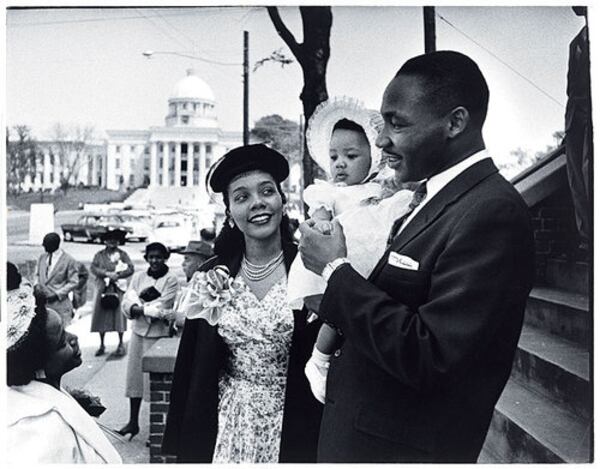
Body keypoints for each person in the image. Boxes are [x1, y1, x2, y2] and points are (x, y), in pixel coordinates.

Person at [299, 51, 535, 463]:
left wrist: (335, 270)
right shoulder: (427, 199)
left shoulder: (491, 212)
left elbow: (432, 355)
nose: (382, 140)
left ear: (455, 123)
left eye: (397, 123)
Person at [162, 144, 323, 463]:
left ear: (282, 200)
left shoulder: (311, 271)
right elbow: (190, 365)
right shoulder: (211, 276)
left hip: (297, 424)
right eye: (242, 197)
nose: (257, 203)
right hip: (227, 426)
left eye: (267, 191)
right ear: (230, 215)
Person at [287, 96, 414, 402]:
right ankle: (319, 360)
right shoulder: (328, 192)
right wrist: (320, 225)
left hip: (371, 261)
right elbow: (318, 219)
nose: (340, 163)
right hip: (340, 258)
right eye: (334, 157)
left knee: (361, 309)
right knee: (336, 314)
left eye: (351, 155)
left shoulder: (382, 191)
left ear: (374, 157)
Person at [6, 262, 121, 464]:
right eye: (62, 341)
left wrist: (70, 403)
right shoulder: (43, 431)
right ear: (38, 365)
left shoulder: (40, 391)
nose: (74, 337)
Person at [117, 242, 179, 440]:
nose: (154, 261)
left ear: (165, 258)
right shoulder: (138, 277)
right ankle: (133, 422)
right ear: (146, 258)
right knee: (134, 379)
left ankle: (157, 428)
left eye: (158, 257)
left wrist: (140, 307)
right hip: (138, 334)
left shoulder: (171, 279)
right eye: (151, 257)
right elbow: (127, 301)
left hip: (158, 335)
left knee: (154, 383)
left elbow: (163, 306)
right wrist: (143, 308)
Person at [90, 229, 135, 356]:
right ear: (105, 241)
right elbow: (93, 268)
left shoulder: (123, 254)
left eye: (115, 240)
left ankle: (121, 344)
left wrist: (118, 275)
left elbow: (131, 268)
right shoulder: (99, 255)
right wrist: (105, 273)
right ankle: (102, 344)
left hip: (118, 288)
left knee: (119, 316)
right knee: (101, 315)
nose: (112, 242)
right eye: (109, 239)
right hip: (103, 288)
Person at [35, 232, 79, 326]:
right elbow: (37, 275)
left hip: (60, 306)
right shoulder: (42, 258)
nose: (44, 247)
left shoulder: (69, 260)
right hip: (43, 305)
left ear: (54, 245)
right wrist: (37, 287)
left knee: (61, 336)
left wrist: (57, 294)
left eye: (46, 245)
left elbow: (73, 282)